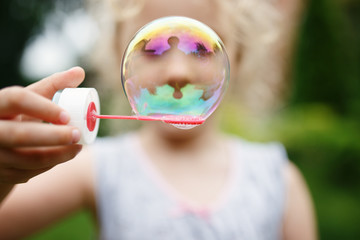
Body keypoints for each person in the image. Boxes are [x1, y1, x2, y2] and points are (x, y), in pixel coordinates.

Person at [0, 0, 316, 239]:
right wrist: (3, 175)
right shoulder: (98, 165)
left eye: (202, 49)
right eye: (152, 49)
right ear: (117, 55)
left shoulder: (279, 181)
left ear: (240, 56)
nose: (177, 72)